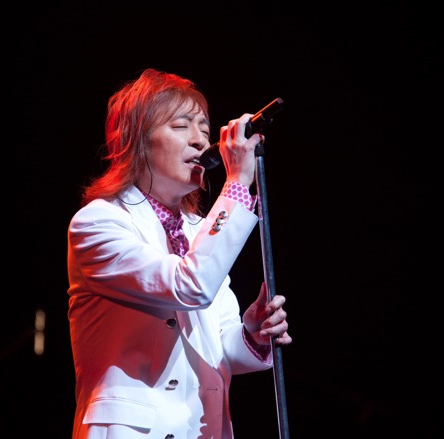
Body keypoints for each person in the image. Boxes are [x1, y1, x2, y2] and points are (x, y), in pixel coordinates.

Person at [66, 68, 292, 439]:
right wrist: (237, 184)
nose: (201, 141)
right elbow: (190, 286)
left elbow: (220, 351)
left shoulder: (199, 230)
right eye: (181, 126)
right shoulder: (98, 223)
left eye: (204, 128)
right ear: (137, 142)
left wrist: (252, 333)